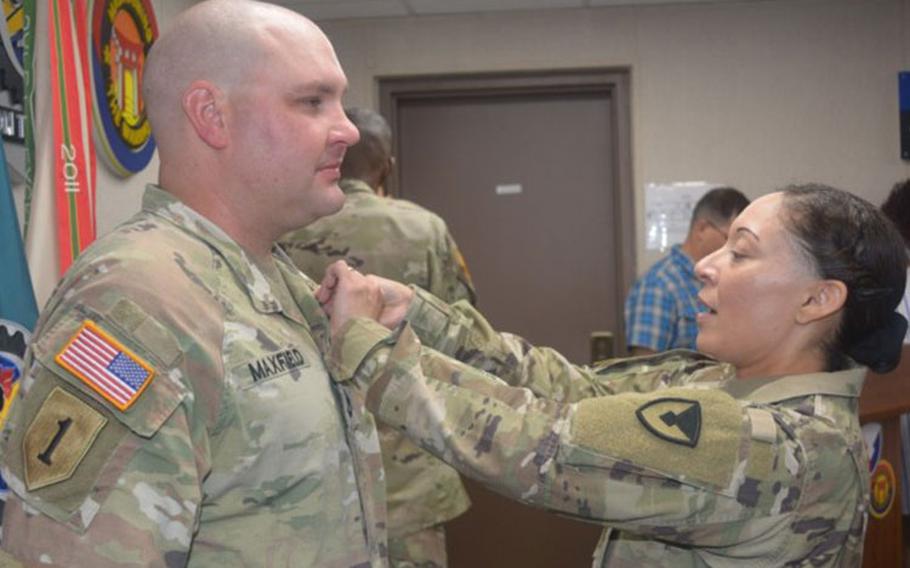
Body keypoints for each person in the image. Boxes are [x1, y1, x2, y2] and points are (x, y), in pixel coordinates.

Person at [319, 184, 907, 566]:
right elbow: (568, 387)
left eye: (742, 252)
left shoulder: (774, 447)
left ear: (817, 301)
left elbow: (543, 446)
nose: (704, 266)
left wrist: (369, 354)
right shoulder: (722, 383)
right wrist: (419, 315)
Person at [0, 1, 389, 566]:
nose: (348, 128)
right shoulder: (136, 300)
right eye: (312, 101)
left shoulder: (271, 277)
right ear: (212, 115)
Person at [280, 107, 473, 567]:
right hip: (411, 465)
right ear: (386, 166)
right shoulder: (425, 229)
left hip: (315, 468)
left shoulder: (284, 231)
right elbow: (462, 332)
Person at [625, 187, 749, 355]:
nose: (733, 248)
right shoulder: (658, 285)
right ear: (702, 229)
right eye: (728, 238)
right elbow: (644, 370)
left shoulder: (727, 279)